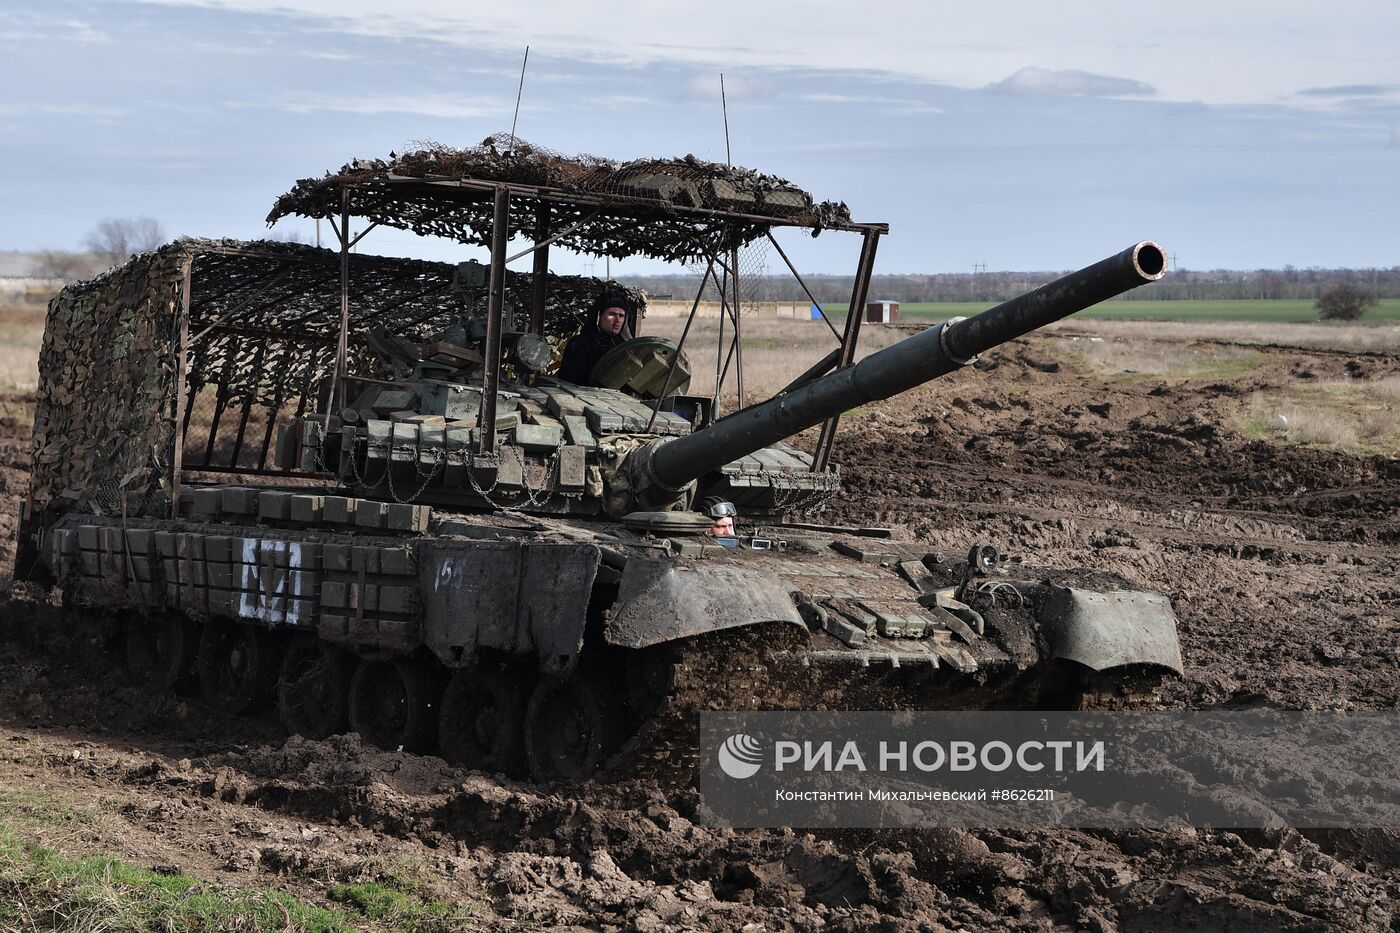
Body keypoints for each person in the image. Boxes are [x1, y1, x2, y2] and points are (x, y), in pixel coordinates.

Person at [558, 293, 632, 386]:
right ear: (599, 316)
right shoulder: (579, 344)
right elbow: (570, 381)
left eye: (621, 316)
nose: (617, 320)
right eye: (612, 314)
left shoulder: (623, 347)